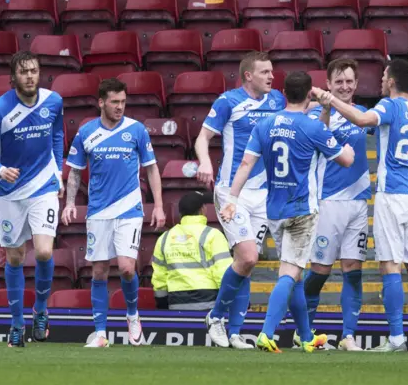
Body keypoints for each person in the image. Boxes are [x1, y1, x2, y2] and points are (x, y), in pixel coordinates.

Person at [312, 59, 408, 353]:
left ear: (391, 82)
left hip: (391, 195)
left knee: (390, 265)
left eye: (383, 76)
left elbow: (363, 121)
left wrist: (330, 100)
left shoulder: (387, 107)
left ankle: (395, 338)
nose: (380, 80)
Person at [220, 71, 355, 353]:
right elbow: (343, 160)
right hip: (301, 210)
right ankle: (267, 332)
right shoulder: (312, 127)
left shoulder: (266, 124)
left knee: (293, 274)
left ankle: (306, 337)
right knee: (290, 273)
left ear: (283, 91)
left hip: (274, 210)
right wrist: (349, 150)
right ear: (309, 95)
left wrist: (232, 198)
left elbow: (245, 163)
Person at [62, 78, 166, 348]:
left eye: (123, 102)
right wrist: (70, 203)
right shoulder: (86, 133)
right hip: (98, 210)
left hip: (130, 208)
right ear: (101, 102)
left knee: (127, 268)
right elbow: (74, 171)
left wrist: (158, 205)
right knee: (98, 271)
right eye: (114, 102)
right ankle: (100, 333)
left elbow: (152, 168)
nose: (120, 107)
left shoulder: (137, 130)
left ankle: (132, 317)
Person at [195, 51, 286, 348]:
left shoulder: (277, 101)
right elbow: (202, 138)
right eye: (264, 72)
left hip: (263, 193)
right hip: (230, 192)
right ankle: (217, 317)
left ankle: (234, 332)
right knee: (247, 256)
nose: (271, 76)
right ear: (248, 76)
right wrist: (205, 162)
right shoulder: (228, 102)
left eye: (272, 71)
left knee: (247, 263)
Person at [0, 51, 64, 347]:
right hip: (12, 194)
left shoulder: (53, 101)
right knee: (15, 257)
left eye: (34, 71)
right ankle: (16, 323)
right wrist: (0, 170)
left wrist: (59, 170)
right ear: (14, 77)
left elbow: (57, 136)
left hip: (44, 187)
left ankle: (41, 310)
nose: (30, 76)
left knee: (43, 253)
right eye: (24, 72)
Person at [300, 58, 370, 351]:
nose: (344, 86)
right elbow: (318, 138)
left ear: (356, 84)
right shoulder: (315, 112)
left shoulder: (364, 114)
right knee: (319, 271)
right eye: (338, 81)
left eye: (349, 81)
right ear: (328, 84)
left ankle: (349, 336)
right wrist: (327, 107)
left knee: (354, 269)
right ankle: (305, 334)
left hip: (358, 202)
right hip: (327, 202)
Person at [150, 191, 254, 349]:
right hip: (210, 304)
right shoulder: (213, 235)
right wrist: (240, 301)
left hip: (176, 304)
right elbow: (223, 273)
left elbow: (159, 279)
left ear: (180, 213)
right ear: (203, 210)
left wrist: (163, 307)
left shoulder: (164, 238)